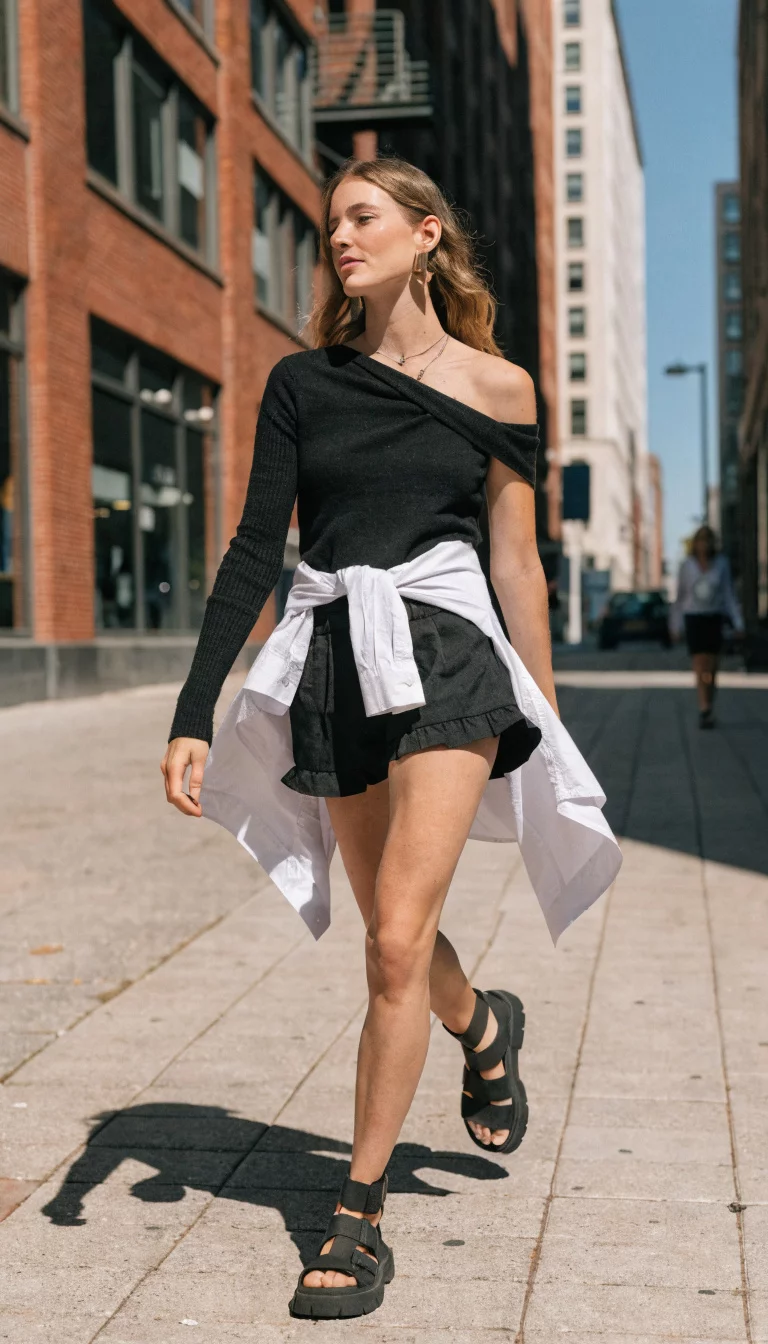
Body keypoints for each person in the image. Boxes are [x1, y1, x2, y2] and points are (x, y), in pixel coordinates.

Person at [161, 156, 619, 1320]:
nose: (339, 241)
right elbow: (257, 551)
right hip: (333, 664)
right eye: (330, 227)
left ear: (427, 238)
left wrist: (546, 710)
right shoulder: (300, 384)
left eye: (362, 220)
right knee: (392, 941)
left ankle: (356, 1216)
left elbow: (515, 557)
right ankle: (485, 1026)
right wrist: (193, 710)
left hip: (454, 663)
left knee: (395, 939)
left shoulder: (501, 388)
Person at [670, 524, 743, 729]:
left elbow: (728, 595)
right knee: (700, 663)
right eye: (701, 540)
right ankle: (704, 708)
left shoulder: (721, 564)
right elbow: (680, 597)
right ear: (696, 544)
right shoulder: (687, 565)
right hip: (694, 618)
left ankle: (709, 702)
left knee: (712, 666)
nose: (704, 545)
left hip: (714, 617)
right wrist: (675, 626)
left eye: (708, 540)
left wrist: (738, 622)